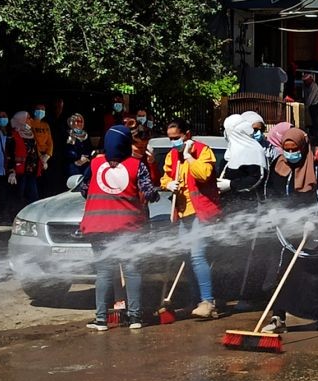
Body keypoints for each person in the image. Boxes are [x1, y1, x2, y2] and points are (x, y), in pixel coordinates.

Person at [80, 125, 159, 330]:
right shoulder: (136, 165)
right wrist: (155, 194)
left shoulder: (96, 163)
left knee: (104, 272)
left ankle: (100, 320)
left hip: (97, 227)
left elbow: (83, 188)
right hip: (128, 228)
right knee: (132, 270)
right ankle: (135, 318)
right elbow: (149, 192)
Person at [262, 127, 318, 331]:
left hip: (309, 229)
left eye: (295, 149)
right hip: (283, 228)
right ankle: (277, 317)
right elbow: (270, 191)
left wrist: (314, 220)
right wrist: (272, 211)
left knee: (315, 275)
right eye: (287, 149)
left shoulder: (316, 166)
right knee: (279, 271)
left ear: (303, 148)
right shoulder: (277, 164)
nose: (291, 153)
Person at [161, 119, 222, 319]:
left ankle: (208, 301)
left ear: (187, 134)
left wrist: (188, 156)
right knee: (187, 258)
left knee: (197, 256)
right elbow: (165, 176)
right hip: (182, 213)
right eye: (170, 139)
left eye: (176, 138)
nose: (173, 142)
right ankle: (195, 301)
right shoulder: (172, 155)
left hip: (201, 213)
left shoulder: (203, 151)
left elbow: (204, 174)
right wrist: (168, 184)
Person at [221, 111, 268, 204]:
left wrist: (231, 185)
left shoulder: (254, 150)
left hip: (248, 206)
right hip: (229, 204)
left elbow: (257, 177)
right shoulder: (231, 151)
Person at [5, 111, 42, 213]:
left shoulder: (30, 133)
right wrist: (11, 171)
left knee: (34, 196)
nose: (31, 120)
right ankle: (15, 217)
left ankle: (33, 216)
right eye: (28, 118)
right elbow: (9, 154)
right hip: (19, 172)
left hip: (31, 170)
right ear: (21, 121)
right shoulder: (13, 135)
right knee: (18, 196)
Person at [29, 103, 54, 196]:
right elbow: (32, 140)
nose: (41, 111)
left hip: (45, 156)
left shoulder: (45, 125)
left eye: (43, 109)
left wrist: (47, 156)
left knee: (45, 180)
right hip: (35, 155)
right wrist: (40, 157)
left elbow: (50, 141)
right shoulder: (30, 122)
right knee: (35, 180)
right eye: (38, 109)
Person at [65, 113, 93, 181]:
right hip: (74, 164)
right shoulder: (69, 134)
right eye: (77, 121)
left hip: (85, 162)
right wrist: (78, 159)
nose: (79, 123)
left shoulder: (85, 134)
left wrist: (87, 157)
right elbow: (69, 150)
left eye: (81, 121)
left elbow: (89, 148)